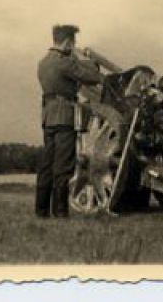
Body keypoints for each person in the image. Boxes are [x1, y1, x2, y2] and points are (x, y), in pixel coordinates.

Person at [36, 24, 102, 218]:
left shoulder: (43, 62)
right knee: (63, 166)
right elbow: (92, 77)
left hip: (48, 116)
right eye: (73, 43)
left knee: (47, 165)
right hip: (64, 116)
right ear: (67, 42)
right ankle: (60, 212)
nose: (74, 46)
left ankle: (41, 211)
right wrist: (85, 59)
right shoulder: (64, 63)